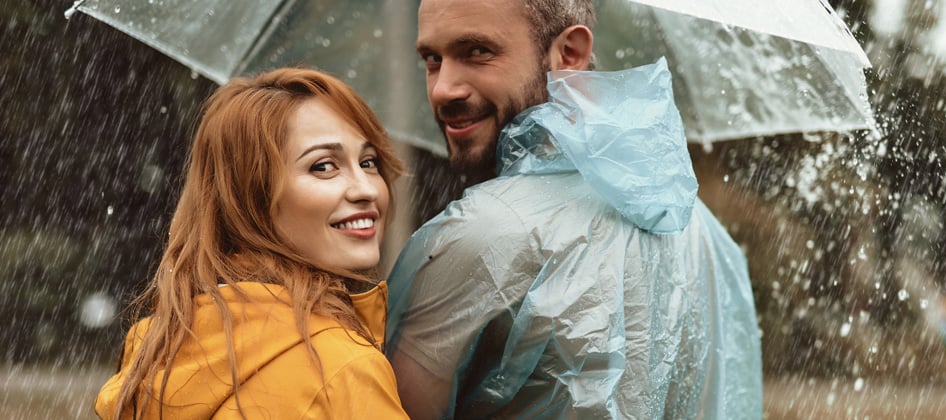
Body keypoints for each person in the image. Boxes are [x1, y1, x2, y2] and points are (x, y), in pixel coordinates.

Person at [384, 0, 763, 418]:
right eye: (432, 59)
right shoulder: (700, 229)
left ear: (569, 54)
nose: (442, 88)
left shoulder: (478, 237)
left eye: (478, 51)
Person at [95, 68, 409, 419]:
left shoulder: (156, 351)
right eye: (323, 167)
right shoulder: (341, 370)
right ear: (252, 198)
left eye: (368, 162)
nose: (366, 188)